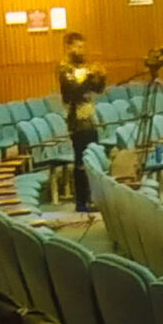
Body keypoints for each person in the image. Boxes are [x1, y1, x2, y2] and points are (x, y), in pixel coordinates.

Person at [57, 31, 107, 213]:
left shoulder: (84, 66)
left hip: (89, 118)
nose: (80, 50)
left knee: (93, 156)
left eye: (82, 47)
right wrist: (87, 76)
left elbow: (97, 89)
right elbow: (73, 91)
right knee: (81, 160)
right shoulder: (65, 69)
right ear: (68, 47)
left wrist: (100, 77)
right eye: (77, 46)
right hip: (76, 120)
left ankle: (92, 197)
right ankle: (81, 201)